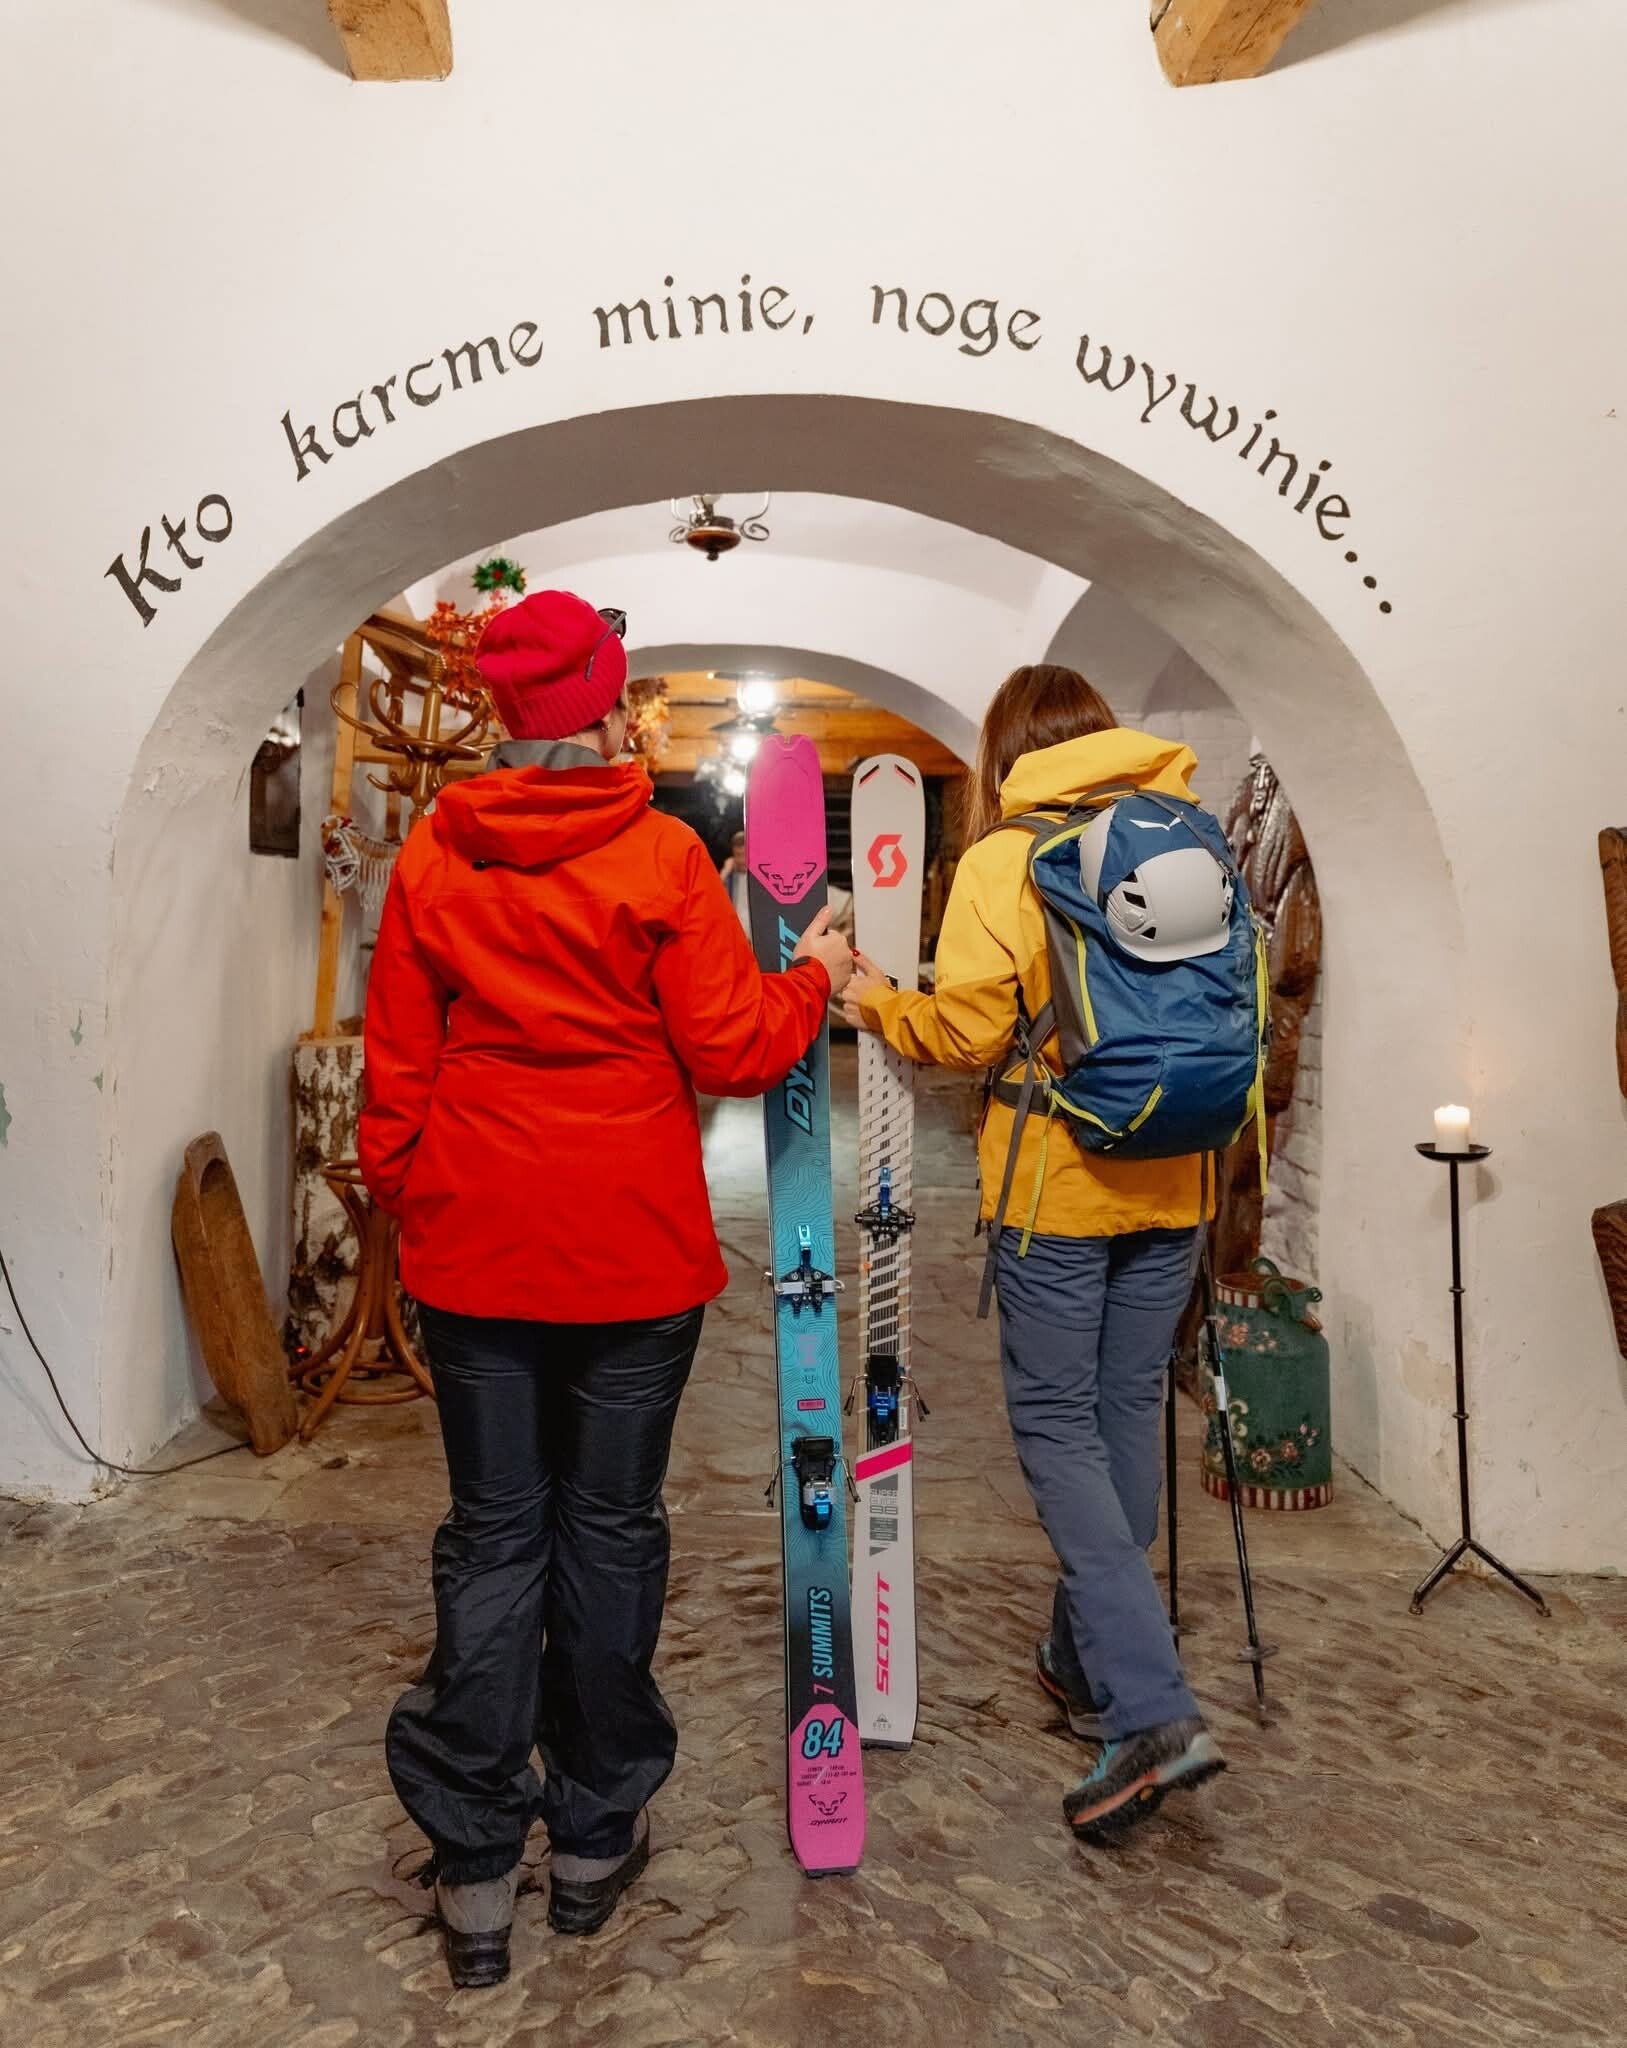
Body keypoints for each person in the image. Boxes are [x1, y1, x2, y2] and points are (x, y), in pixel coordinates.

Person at [360, 589, 855, 1987]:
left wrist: (425, 1195)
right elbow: (731, 1047)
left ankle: (474, 1869)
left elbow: (394, 1073)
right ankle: (590, 1840)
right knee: (610, 1534)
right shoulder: (659, 855)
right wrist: (814, 975)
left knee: (494, 1539)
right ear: (605, 704)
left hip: (477, 1250)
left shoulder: (435, 853)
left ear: (504, 712)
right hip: (631, 1255)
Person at [840, 664, 1226, 1846]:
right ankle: (1083, 1660)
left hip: (1058, 1181)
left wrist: (873, 1000)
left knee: (1058, 1428)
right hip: (1178, 1171)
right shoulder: (1188, 829)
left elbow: (966, 1031)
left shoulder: (1008, 855)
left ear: (1006, 752)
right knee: (1123, 1412)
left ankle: (1150, 1710)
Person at [717, 827, 751, 934]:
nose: (740, 851)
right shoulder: (729, 878)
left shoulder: (758, 878)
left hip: (754, 934)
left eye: (743, 850)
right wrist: (725, 871)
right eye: (738, 853)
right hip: (734, 932)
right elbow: (712, 896)